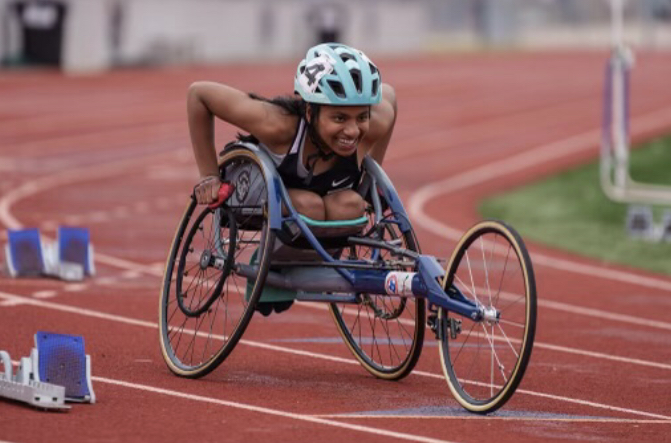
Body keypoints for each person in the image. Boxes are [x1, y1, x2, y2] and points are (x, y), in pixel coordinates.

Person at [188, 43, 397, 221]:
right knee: (309, 206)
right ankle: (281, 265)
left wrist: (370, 178)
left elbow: (389, 95)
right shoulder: (278, 125)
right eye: (339, 118)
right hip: (252, 184)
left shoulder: (374, 125)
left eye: (362, 117)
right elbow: (199, 94)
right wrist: (208, 176)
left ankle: (319, 266)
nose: (352, 131)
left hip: (309, 198)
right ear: (309, 112)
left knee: (350, 205)